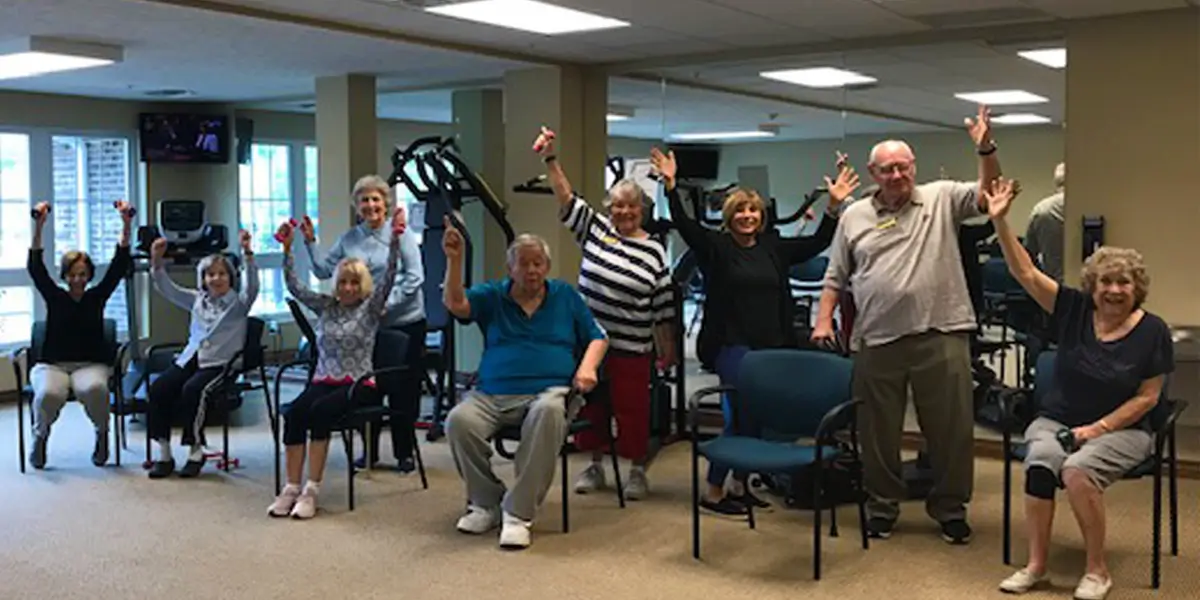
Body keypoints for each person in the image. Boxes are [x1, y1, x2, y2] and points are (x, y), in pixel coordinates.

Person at [812, 105, 1002, 544]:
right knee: (876, 431)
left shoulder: (941, 197)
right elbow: (835, 276)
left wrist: (986, 148)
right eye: (887, 169)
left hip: (941, 331)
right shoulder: (854, 215)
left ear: (913, 167)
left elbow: (989, 191)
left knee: (950, 429)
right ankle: (882, 506)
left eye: (903, 166)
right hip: (877, 338)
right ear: (873, 173)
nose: (897, 175)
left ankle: (951, 508)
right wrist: (823, 320)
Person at [985, 178, 1172, 600]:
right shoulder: (1072, 309)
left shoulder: (1153, 331)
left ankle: (1097, 570)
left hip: (1125, 431)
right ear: (1093, 286)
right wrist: (1000, 221)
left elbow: (1148, 397)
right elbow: (1025, 271)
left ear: (1136, 287)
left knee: (1077, 470)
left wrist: (1097, 429)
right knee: (1041, 464)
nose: (1113, 290)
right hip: (1057, 420)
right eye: (1105, 282)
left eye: (1123, 283)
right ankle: (1035, 565)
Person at [652, 146, 856, 517]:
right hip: (731, 347)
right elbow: (685, 226)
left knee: (757, 417)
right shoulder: (716, 247)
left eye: (754, 211)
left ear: (761, 217)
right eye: (741, 211)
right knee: (742, 416)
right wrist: (670, 187)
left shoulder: (772, 246)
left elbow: (815, 244)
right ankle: (714, 491)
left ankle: (739, 485)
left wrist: (833, 209)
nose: (748, 216)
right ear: (730, 216)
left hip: (770, 346)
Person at [442, 222, 608, 550]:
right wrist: (454, 259)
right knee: (458, 421)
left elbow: (597, 336)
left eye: (538, 264)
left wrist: (588, 367)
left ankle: (518, 514)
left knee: (548, 411)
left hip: (548, 392)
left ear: (546, 267)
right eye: (524, 263)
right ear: (510, 268)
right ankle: (486, 501)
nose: (532, 271)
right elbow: (456, 304)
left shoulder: (564, 295)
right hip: (492, 393)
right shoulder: (493, 295)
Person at [532, 128, 675, 501]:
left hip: (633, 345)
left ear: (641, 210)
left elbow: (661, 307)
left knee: (633, 410)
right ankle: (594, 465)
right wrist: (550, 158)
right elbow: (566, 198)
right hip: (589, 342)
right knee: (590, 406)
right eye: (617, 206)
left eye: (630, 206)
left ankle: (637, 471)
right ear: (609, 208)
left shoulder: (656, 252)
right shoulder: (596, 230)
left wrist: (667, 348)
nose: (623, 212)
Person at [267, 207, 404, 519]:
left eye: (354, 283)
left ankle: (311, 490)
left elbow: (392, 275)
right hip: (324, 379)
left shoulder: (370, 308)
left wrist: (395, 240)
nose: (348, 288)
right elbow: (295, 287)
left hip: (360, 383)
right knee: (296, 412)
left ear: (363, 285)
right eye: (343, 282)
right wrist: (287, 250)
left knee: (320, 413)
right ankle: (291, 488)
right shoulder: (327, 307)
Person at [301, 175, 426, 473]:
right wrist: (309, 243)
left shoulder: (401, 234)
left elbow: (415, 277)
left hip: (405, 321)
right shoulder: (350, 238)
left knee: (402, 389)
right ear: (357, 207)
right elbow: (322, 271)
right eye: (364, 200)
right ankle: (369, 452)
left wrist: (384, 304)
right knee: (367, 384)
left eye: (375, 199)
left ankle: (404, 452)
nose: (370, 205)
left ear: (386, 204)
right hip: (368, 327)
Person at [25, 200, 133, 469]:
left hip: (90, 365)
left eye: (83, 274)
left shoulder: (96, 297)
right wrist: (39, 226)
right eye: (73, 274)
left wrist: (126, 224)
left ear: (89, 275)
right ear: (65, 275)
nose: (78, 279)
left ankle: (102, 434)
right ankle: (40, 437)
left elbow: (119, 265)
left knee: (96, 389)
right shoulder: (55, 297)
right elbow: (36, 268)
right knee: (48, 394)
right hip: (52, 365)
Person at [145, 230, 258, 479]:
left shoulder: (238, 304)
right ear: (203, 279)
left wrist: (248, 254)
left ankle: (196, 451)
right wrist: (156, 261)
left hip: (221, 363)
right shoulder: (197, 300)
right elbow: (167, 289)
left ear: (231, 277)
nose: (216, 279)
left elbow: (252, 286)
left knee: (193, 391)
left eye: (221, 274)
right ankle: (164, 453)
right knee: (159, 388)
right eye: (210, 274)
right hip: (192, 357)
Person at [1024, 162, 1066, 281]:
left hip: (1054, 285)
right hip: (1091, 284)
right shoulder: (1092, 206)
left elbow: (1028, 254)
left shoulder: (1041, 209)